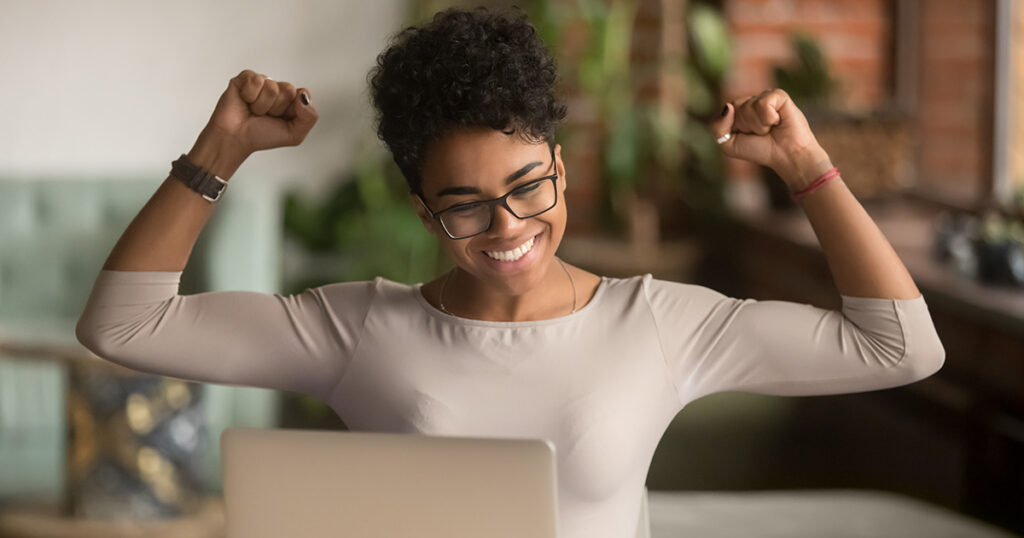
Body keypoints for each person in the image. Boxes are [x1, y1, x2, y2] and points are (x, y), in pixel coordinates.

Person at [76, 7, 945, 538]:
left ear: (561, 168)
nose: (507, 227)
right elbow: (122, 325)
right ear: (423, 211)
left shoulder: (660, 323)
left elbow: (900, 349)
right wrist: (219, 148)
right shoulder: (357, 329)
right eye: (465, 204)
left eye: (529, 186)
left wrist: (806, 167)